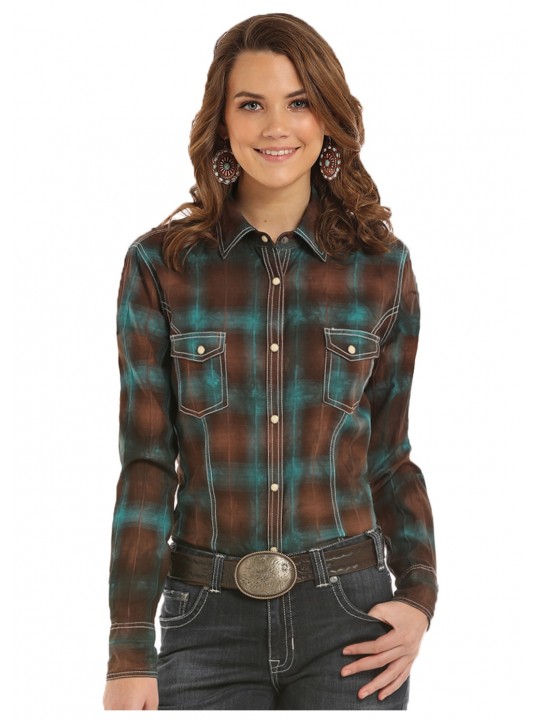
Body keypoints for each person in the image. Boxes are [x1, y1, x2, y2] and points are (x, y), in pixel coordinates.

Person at [103, 12, 437, 711]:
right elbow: (147, 466)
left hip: (352, 620)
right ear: (222, 123)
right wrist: (129, 649)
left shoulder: (382, 267)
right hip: (204, 623)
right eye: (251, 104)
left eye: (299, 102)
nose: (276, 127)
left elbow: (389, 454)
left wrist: (418, 597)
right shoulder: (160, 267)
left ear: (327, 118)